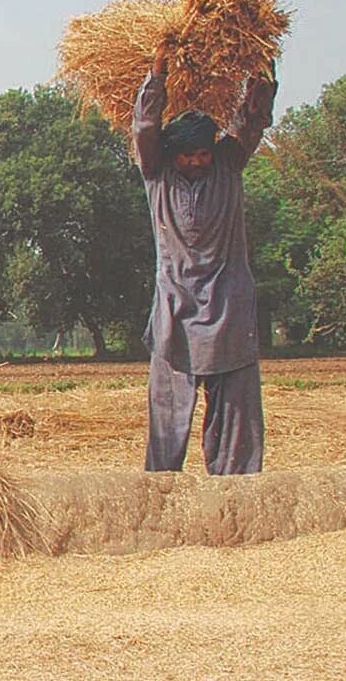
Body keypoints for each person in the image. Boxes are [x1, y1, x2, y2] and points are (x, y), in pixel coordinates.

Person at [133, 39, 277, 475]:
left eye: (203, 153)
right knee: (168, 409)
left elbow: (250, 124)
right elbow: (144, 127)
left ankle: (235, 490)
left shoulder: (228, 167)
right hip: (176, 306)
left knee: (236, 406)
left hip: (228, 304)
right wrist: (157, 75)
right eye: (189, 154)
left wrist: (263, 81)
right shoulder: (156, 174)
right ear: (172, 154)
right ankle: (162, 490)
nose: (197, 160)